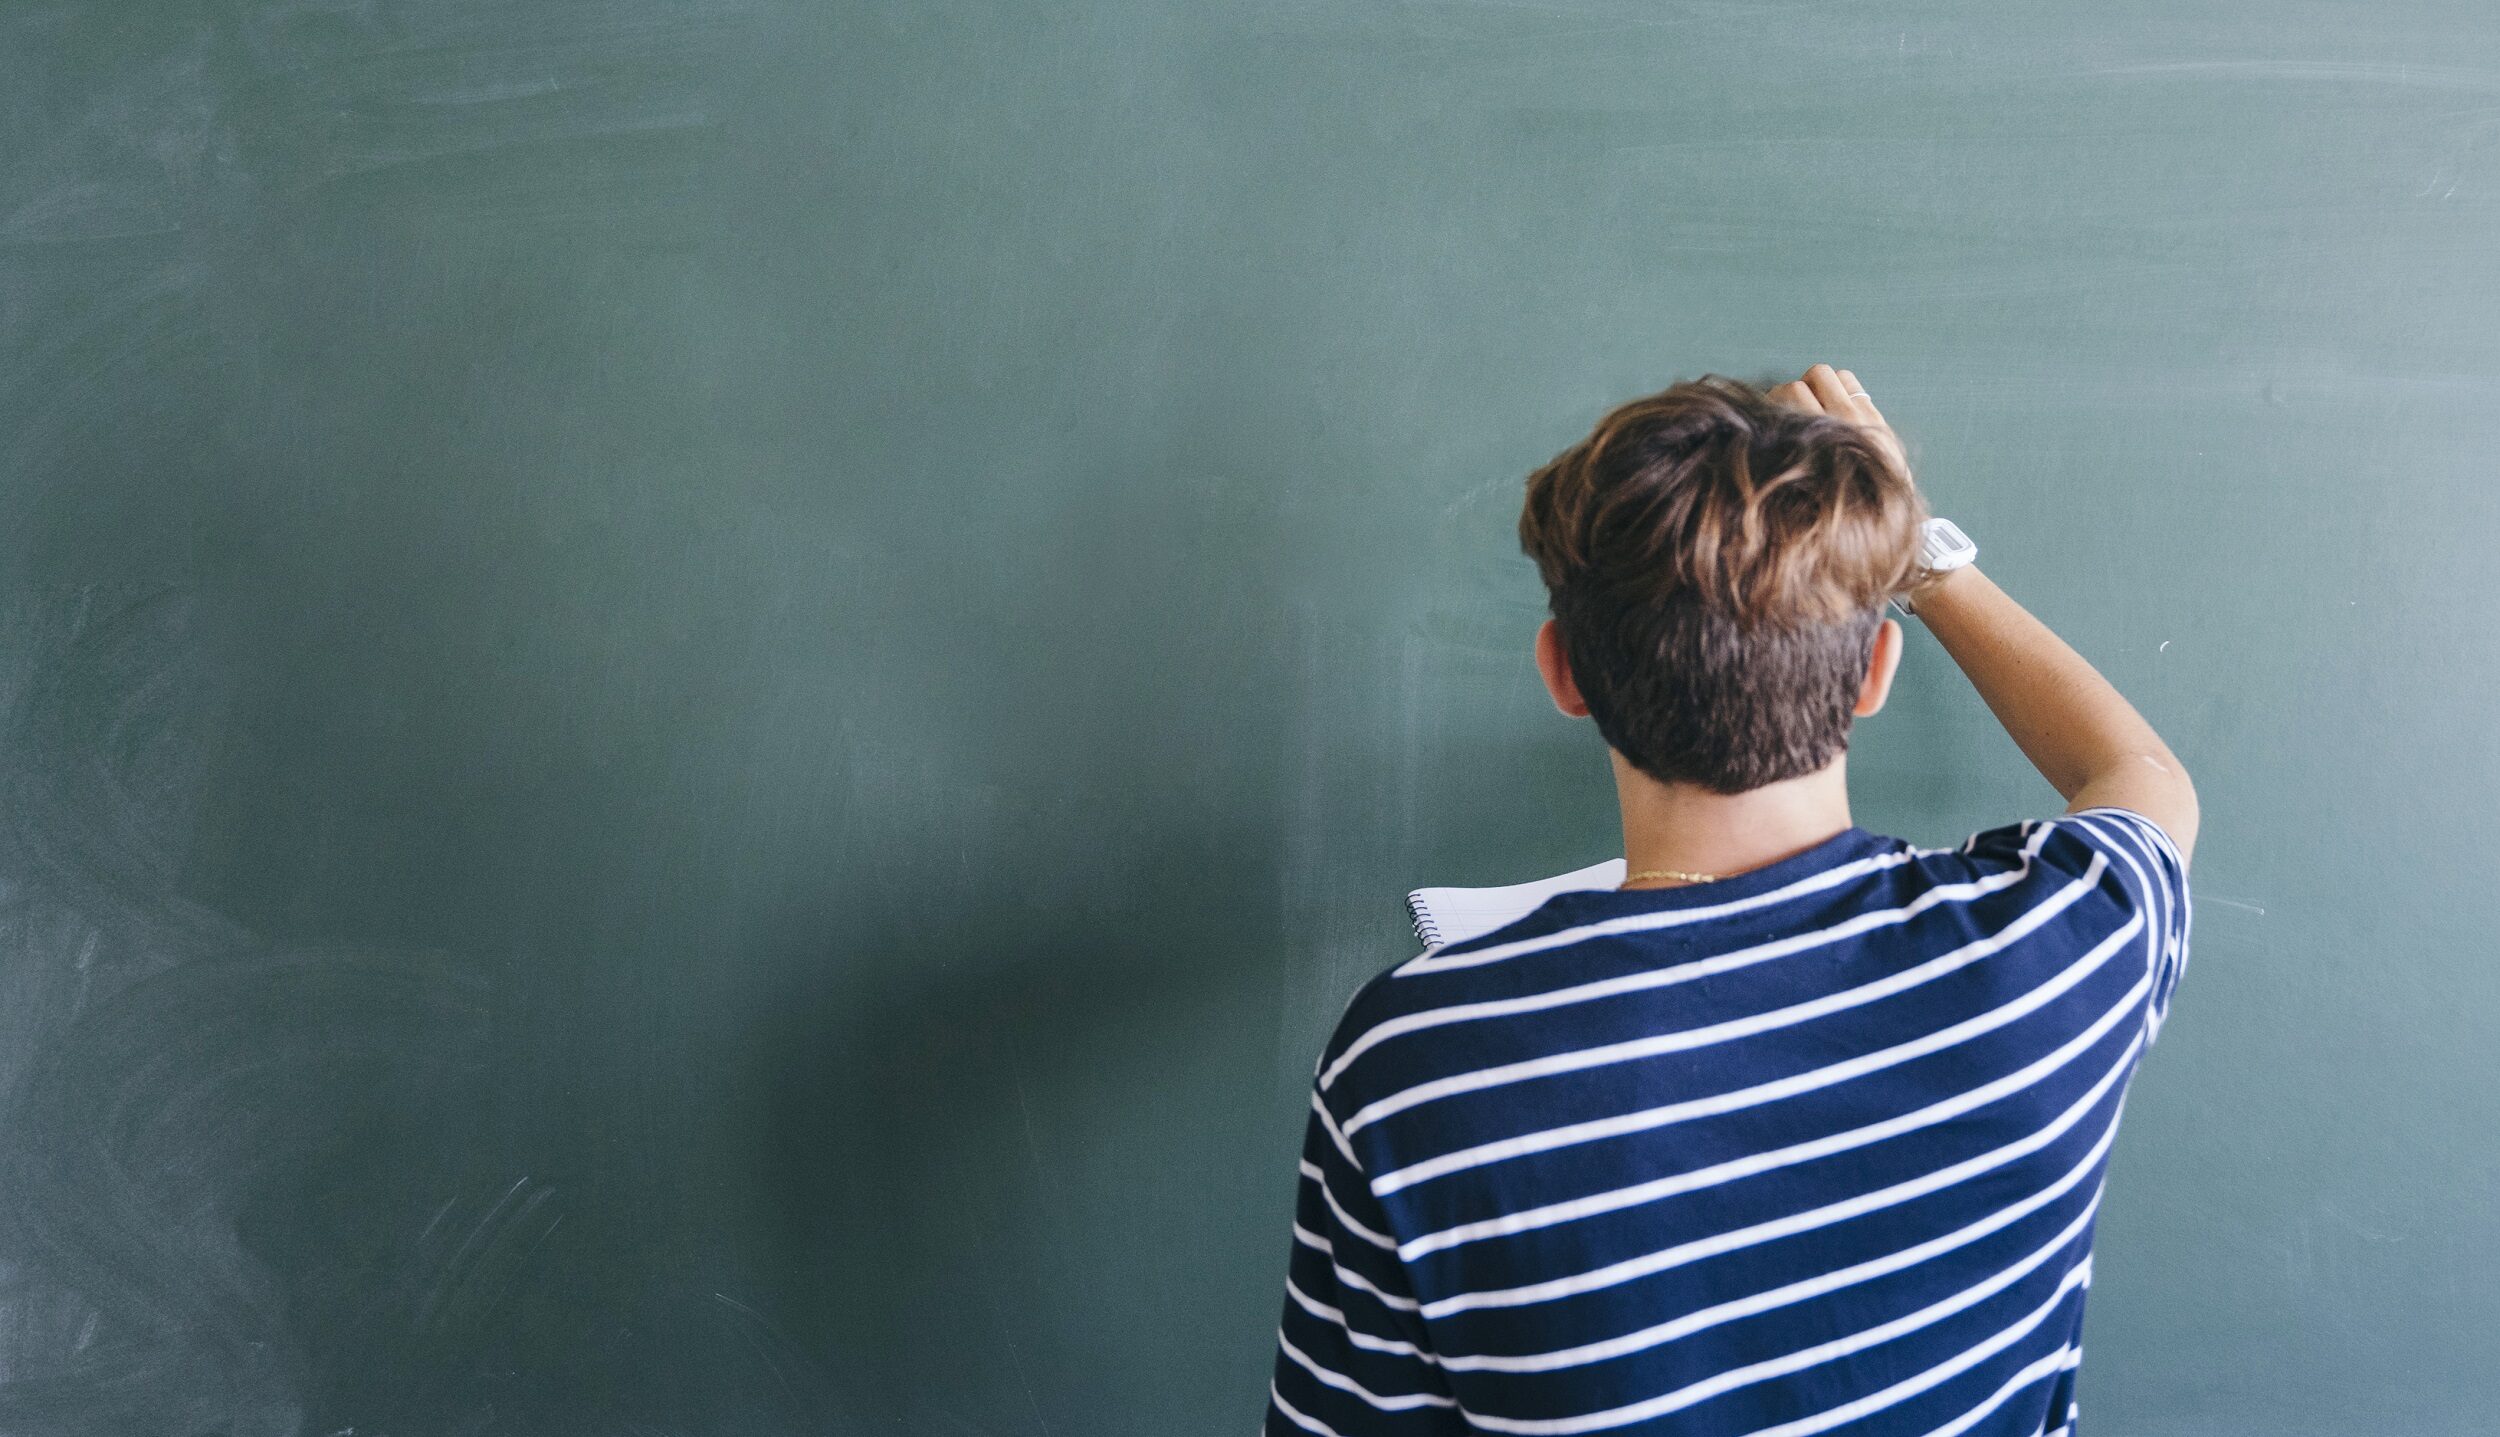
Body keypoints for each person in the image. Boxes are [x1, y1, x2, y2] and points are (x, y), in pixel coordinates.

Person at [1264, 364, 2196, 1437]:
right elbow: (2140, 774)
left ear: (1561, 673)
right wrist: (1924, 561)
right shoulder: (2055, 958)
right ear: (1875, 669)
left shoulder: (1414, 1067)